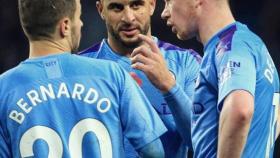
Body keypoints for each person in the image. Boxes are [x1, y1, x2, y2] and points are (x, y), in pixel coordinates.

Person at [0, 0, 167, 157]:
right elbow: (154, 151)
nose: (80, 24)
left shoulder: (4, 88)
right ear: (65, 26)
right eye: (78, 18)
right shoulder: (110, 74)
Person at [79, 0, 201, 157]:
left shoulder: (186, 61)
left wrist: (169, 86)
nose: (129, 18)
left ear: (152, 5)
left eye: (136, 5)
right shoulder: (82, 66)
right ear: (101, 9)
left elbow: (200, 141)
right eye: (117, 7)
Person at [161, 0, 280, 157]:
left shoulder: (231, 46)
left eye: (169, 1)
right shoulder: (252, 43)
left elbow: (240, 110)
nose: (164, 13)